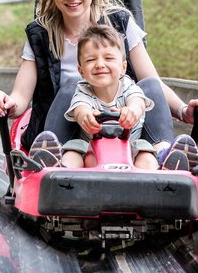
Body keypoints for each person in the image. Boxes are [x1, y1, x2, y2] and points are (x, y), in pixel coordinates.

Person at [0, 0, 198, 169]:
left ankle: (165, 156)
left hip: (122, 124)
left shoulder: (120, 22)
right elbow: (20, 98)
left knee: (150, 85)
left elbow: (151, 83)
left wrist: (185, 111)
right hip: (66, 129)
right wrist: (6, 104)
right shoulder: (40, 33)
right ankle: (53, 157)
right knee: (74, 84)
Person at [56, 24, 159, 169]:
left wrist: (132, 111)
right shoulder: (83, 90)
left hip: (129, 147)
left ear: (123, 67)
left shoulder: (127, 86)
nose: (99, 64)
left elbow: (137, 101)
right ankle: (60, 171)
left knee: (146, 155)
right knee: (72, 151)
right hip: (90, 149)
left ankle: (159, 175)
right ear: (81, 71)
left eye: (109, 58)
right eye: (91, 60)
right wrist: (85, 117)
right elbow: (80, 108)